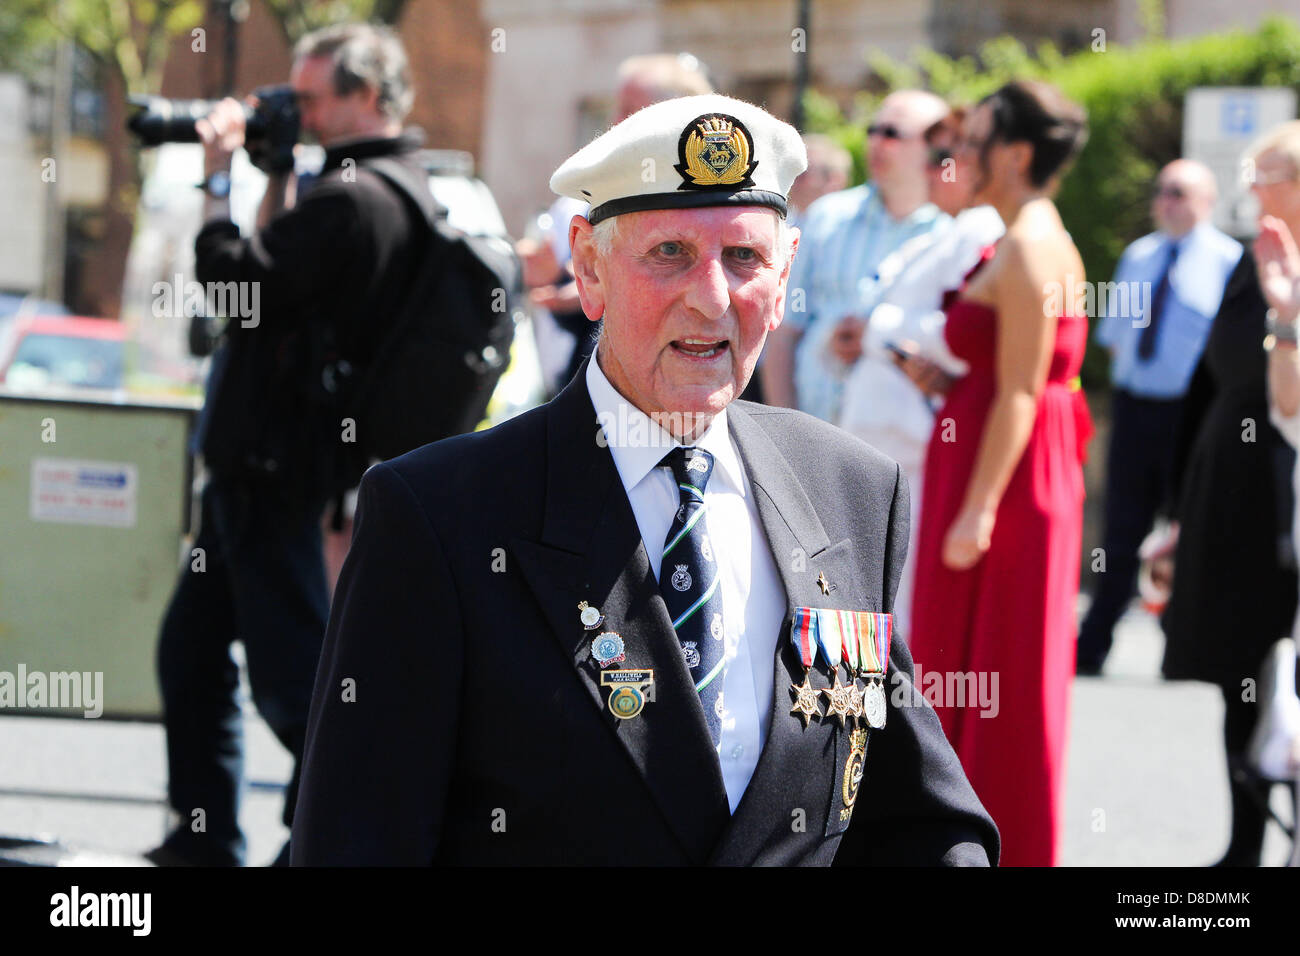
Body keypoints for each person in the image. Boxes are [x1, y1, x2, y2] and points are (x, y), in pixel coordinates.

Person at [290, 94, 998, 866]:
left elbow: (920, 818)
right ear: (589, 266)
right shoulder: (442, 516)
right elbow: (358, 838)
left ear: (787, 269)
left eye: (744, 258)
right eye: (670, 254)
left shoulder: (850, 490)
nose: (713, 297)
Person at [147, 23, 427, 866]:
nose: (294, 112)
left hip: (276, 468)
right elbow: (278, 288)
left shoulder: (354, 200)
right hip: (272, 465)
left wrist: (217, 176)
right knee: (192, 657)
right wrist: (274, 176)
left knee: (296, 682)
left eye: (310, 98)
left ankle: (339, 841)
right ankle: (204, 841)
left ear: (367, 97)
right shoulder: (392, 190)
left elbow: (237, 283)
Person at [903, 80, 1091, 867]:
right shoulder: (1018, 237)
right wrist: (950, 384)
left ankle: (996, 847)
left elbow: (1022, 390)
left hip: (1003, 485)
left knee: (997, 678)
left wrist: (976, 514)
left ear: (1015, 154)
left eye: (975, 141)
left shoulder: (1028, 246)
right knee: (969, 672)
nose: (960, 156)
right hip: (993, 460)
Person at [1160, 121, 1299, 866]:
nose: (1251, 186)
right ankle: (1245, 845)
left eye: (1265, 171)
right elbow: (1211, 377)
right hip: (1233, 484)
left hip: (1286, 490)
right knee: (1239, 669)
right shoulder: (1258, 259)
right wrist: (1177, 510)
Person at [836, 107, 1004, 635]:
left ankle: (895, 714)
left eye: (945, 159)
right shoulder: (947, 231)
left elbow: (962, 333)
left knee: (900, 608)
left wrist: (880, 334)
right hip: (883, 438)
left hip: (916, 440)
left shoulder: (983, 228)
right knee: (871, 596)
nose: (933, 172)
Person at [1076, 160, 1241, 675]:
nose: (1166, 201)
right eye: (1161, 192)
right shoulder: (1140, 255)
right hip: (1135, 407)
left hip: (1190, 414)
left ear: (1207, 200)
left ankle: (1183, 648)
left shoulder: (1228, 261)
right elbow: (1113, 336)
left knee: (1190, 528)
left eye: (1179, 192)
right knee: (1122, 529)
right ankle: (1093, 644)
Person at [519, 52, 715, 396]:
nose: (615, 120)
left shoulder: (706, 203)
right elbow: (552, 277)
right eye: (618, 106)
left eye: (630, 108)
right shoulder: (582, 198)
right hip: (586, 386)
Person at [760, 89, 950, 419]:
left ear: (933, 147)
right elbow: (783, 334)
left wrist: (880, 337)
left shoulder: (951, 232)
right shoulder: (826, 217)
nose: (876, 142)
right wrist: (782, 432)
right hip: (817, 439)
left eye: (891, 133)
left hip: (908, 447)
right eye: (872, 131)